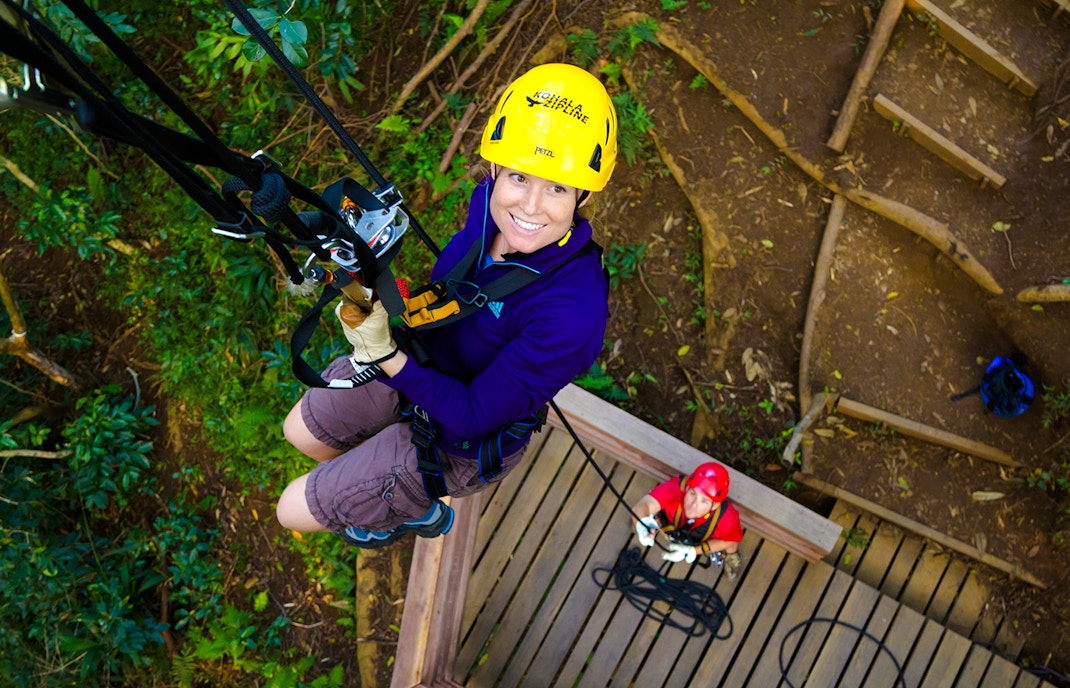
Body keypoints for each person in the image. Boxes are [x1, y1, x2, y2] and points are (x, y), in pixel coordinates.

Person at [274, 63, 618, 548]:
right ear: (496, 167)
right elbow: (456, 293)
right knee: (300, 433)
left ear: (582, 194)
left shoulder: (572, 313)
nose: (531, 207)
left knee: (290, 507)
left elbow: (475, 415)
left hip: (458, 440)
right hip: (421, 362)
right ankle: (368, 479)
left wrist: (385, 356)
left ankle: (407, 509)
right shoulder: (487, 208)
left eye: (557, 188)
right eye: (519, 176)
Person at [633, 461, 744, 579]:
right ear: (687, 487)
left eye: (704, 501)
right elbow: (644, 505)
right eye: (693, 493)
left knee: (731, 545)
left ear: (715, 505)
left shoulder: (727, 518)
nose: (694, 505)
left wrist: (693, 551)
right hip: (670, 525)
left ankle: (732, 557)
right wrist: (641, 523)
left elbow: (730, 541)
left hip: (702, 537)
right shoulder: (674, 488)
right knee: (645, 515)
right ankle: (645, 529)